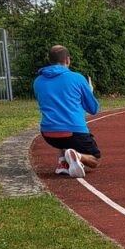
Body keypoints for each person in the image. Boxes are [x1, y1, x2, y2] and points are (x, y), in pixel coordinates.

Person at [34, 45, 101, 178]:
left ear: (50, 60)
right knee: (94, 159)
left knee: (60, 123)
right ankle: (77, 155)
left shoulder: (38, 81)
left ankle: (63, 163)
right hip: (74, 133)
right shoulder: (77, 78)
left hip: (49, 134)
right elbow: (93, 109)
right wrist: (89, 91)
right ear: (68, 60)